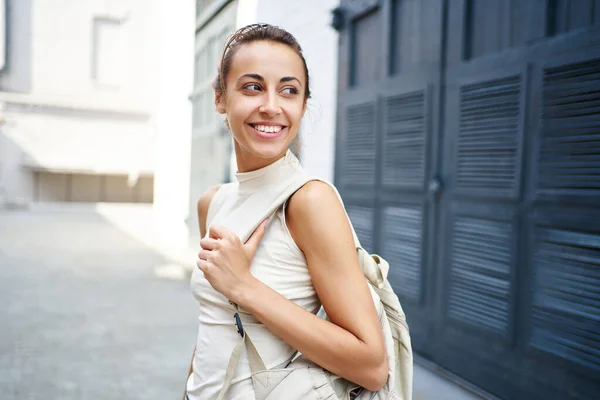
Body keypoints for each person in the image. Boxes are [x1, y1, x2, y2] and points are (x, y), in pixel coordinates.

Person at [184, 23, 388, 400]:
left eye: (289, 91)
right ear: (219, 99)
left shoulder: (308, 201)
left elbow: (372, 366)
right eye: (252, 86)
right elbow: (214, 331)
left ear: (303, 104)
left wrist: (244, 287)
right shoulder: (213, 203)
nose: (271, 106)